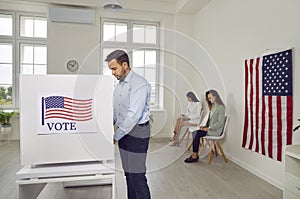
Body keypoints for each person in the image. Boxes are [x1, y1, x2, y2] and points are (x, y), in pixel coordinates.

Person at [106, 49, 151, 199]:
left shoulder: (139, 84)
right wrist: (107, 127)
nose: (112, 72)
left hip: (137, 133)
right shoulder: (119, 85)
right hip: (125, 133)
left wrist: (116, 136)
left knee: (137, 176)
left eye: (114, 68)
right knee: (128, 175)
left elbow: (133, 115)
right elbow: (116, 110)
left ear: (124, 65)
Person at [184, 89, 225, 163]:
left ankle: (194, 155)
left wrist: (209, 128)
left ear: (215, 97)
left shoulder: (221, 108)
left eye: (210, 98)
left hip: (215, 131)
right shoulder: (212, 107)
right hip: (209, 129)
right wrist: (205, 126)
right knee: (195, 132)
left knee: (196, 133)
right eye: (208, 98)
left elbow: (220, 123)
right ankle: (195, 154)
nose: (209, 100)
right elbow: (209, 121)